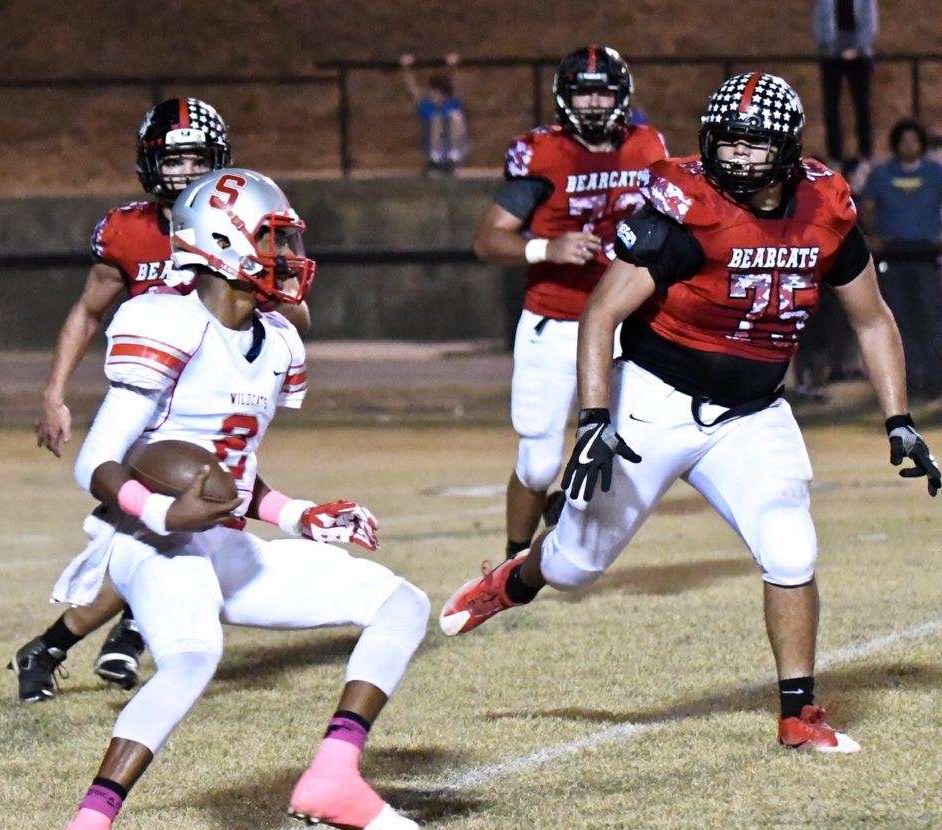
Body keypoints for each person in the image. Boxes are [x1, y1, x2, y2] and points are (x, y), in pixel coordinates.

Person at [441, 73, 940, 754]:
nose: (735, 159)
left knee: (792, 546)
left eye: (752, 146)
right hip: (654, 400)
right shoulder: (685, 211)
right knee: (574, 568)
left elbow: (874, 320)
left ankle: (799, 712)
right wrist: (594, 420)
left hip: (752, 413)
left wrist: (898, 419)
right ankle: (516, 577)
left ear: (788, 151)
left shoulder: (825, 207)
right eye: (726, 144)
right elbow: (602, 313)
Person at [39, 168, 429, 830]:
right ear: (222, 243)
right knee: (193, 655)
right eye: (273, 240)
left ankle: (334, 776)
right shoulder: (166, 321)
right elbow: (96, 459)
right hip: (145, 539)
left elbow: (232, 479)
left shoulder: (276, 339)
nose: (287, 257)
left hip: (219, 538)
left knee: (401, 602)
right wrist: (163, 511)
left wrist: (300, 513)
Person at [11, 98, 311, 701]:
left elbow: (295, 309)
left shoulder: (244, 215)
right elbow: (89, 310)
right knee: (166, 529)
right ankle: (98, 639)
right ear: (148, 166)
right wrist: (54, 393)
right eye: (169, 161)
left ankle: (82, 643)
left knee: (170, 533)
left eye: (194, 159)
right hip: (153, 403)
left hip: (211, 399)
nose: (180, 172)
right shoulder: (128, 228)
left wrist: (265, 289)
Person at [473, 45, 667, 561]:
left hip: (625, 323)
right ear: (564, 97)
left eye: (604, 91)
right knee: (537, 464)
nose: (595, 103)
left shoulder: (647, 147)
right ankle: (514, 560)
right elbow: (487, 240)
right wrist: (546, 247)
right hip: (554, 320)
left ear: (623, 95)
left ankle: (570, 513)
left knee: (637, 442)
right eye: (585, 91)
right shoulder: (541, 153)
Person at [859, 118, 942, 398]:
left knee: (930, 320)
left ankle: (933, 379)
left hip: (928, 256)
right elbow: (867, 207)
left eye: (914, 140)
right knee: (897, 321)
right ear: (896, 143)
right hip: (893, 257)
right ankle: (905, 381)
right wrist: (873, 234)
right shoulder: (882, 174)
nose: (909, 145)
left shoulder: (935, 172)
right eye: (904, 140)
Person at [813, 0, 878, 168]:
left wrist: (858, 49)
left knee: (862, 105)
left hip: (860, 53)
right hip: (831, 52)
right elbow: (820, 19)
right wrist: (826, 45)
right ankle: (835, 155)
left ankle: (865, 153)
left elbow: (869, 22)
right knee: (831, 106)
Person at [399, 52, 470, 174]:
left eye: (440, 93)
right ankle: (435, 160)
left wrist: (453, 68)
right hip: (433, 147)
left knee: (455, 116)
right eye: (434, 93)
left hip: (454, 147)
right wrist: (406, 69)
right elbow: (412, 89)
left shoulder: (452, 104)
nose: (436, 97)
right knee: (436, 119)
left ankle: (452, 158)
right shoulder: (427, 106)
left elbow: (458, 87)